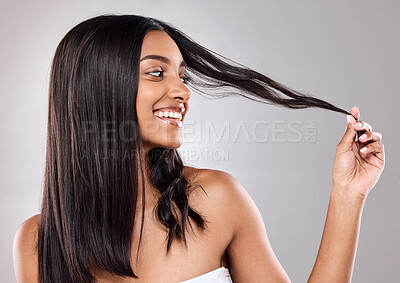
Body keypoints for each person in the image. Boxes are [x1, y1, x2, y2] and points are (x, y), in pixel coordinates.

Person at [12, 14, 385, 283]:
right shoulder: (38, 244)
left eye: (182, 75)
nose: (182, 91)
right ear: (85, 93)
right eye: (157, 72)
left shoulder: (215, 200)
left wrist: (348, 194)